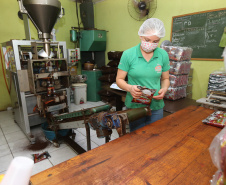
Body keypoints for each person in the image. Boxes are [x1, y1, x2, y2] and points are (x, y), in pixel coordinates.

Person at [116, 18, 170, 132]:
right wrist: (130, 88)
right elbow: (119, 79)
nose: (150, 44)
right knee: (137, 140)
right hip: (135, 107)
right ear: (141, 35)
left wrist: (164, 89)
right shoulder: (128, 54)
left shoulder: (163, 55)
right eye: (147, 39)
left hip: (156, 106)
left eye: (155, 41)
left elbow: (165, 78)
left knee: (155, 137)